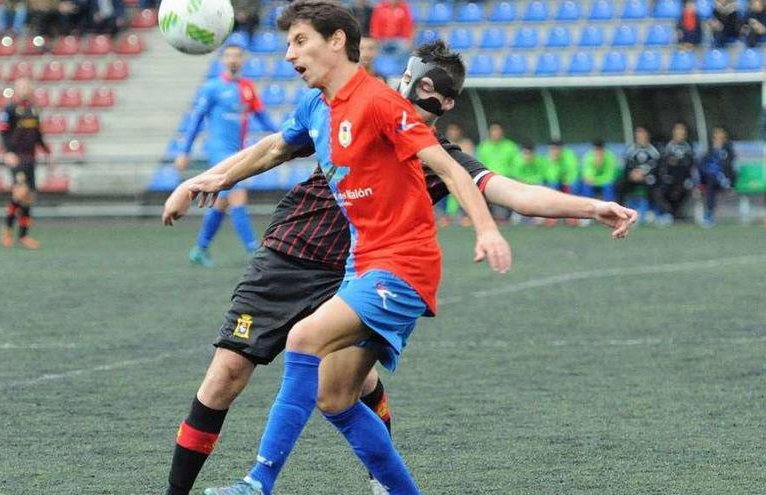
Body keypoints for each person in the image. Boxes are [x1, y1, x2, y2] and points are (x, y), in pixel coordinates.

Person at [188, 5, 633, 494]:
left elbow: (500, 186)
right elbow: (276, 145)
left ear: (440, 101)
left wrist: (586, 207)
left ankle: (258, 482)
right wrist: (213, 177)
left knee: (304, 343)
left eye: (436, 96)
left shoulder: (414, 135)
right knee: (335, 396)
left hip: (393, 269)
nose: (421, 97)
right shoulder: (347, 105)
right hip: (332, 262)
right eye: (414, 82)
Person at [175, 43, 278, 267]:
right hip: (218, 150)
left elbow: (261, 117)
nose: (233, 59)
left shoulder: (247, 88)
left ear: (243, 60)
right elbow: (196, 120)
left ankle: (200, 249)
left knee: (222, 202)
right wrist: (184, 151)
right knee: (238, 196)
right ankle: (255, 251)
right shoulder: (212, 88)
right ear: (223, 60)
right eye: (229, 55)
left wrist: (283, 135)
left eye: (237, 56)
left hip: (237, 152)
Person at [0, 77, 51, 250]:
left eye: (26, 86)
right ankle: (7, 228)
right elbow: (3, 133)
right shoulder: (9, 109)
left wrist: (47, 151)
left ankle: (23, 235)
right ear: (15, 89)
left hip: (30, 158)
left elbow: (38, 134)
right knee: (20, 193)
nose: (24, 89)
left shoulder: (34, 110)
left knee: (28, 198)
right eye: (20, 86)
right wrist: (8, 152)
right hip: (17, 157)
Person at [618, 126, 664, 222]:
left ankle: (652, 212)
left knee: (654, 185)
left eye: (642, 133)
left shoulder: (654, 150)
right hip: (633, 177)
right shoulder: (631, 149)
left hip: (648, 177)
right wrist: (632, 174)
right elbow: (627, 165)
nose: (640, 136)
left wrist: (644, 174)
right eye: (638, 133)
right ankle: (620, 213)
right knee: (620, 185)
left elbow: (657, 166)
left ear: (647, 135)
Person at [698, 126, 736, 227]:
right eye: (716, 135)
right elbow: (702, 166)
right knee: (711, 180)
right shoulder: (709, 152)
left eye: (720, 135)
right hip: (713, 182)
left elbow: (729, 167)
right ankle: (709, 214)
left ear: (724, 137)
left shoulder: (729, 150)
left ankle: (709, 214)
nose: (718, 137)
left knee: (712, 180)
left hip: (726, 182)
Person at [659, 122, 695, 222]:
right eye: (678, 130)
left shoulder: (689, 147)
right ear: (673, 132)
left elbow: (690, 163)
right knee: (662, 190)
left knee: (684, 189)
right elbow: (664, 162)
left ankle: (675, 214)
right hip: (669, 177)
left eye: (682, 130)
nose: (680, 132)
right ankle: (668, 213)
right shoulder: (668, 146)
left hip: (683, 178)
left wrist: (677, 162)